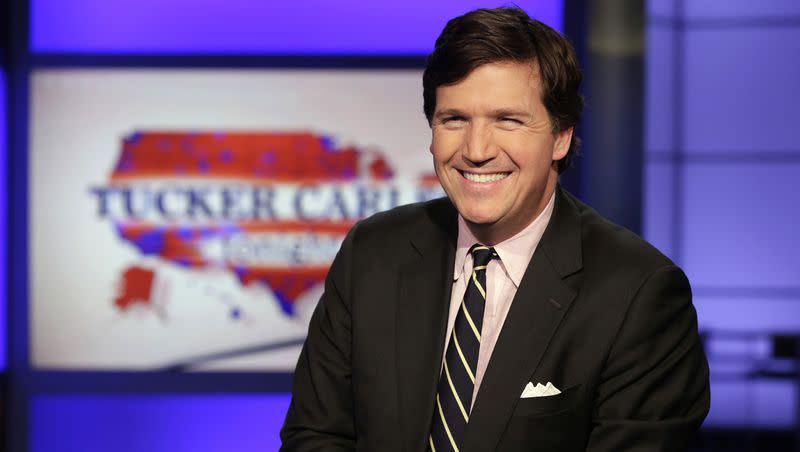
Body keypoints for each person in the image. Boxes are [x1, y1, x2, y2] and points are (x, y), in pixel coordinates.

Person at [281, 6, 709, 451]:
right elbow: (315, 437)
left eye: (508, 120)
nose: (477, 150)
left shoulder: (640, 293)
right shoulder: (371, 253)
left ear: (561, 136)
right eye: (455, 120)